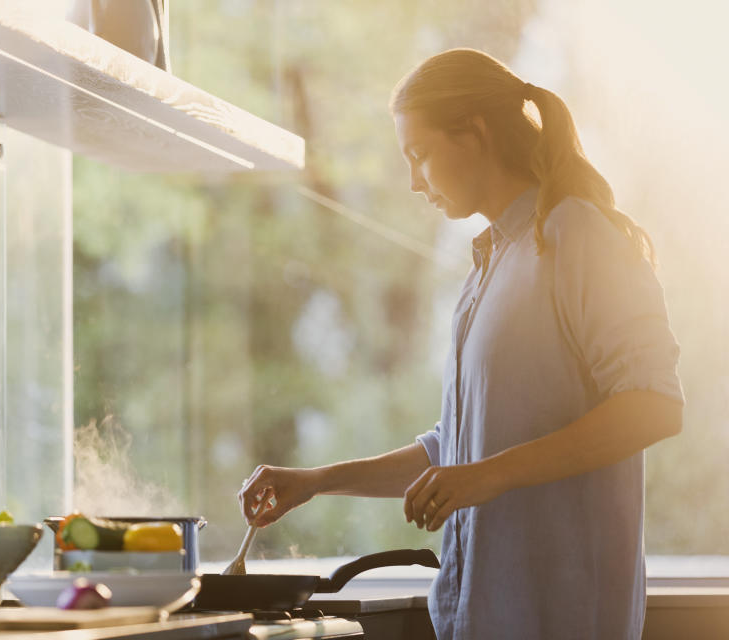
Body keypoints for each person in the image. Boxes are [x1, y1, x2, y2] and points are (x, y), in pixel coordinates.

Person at [237, 48, 684, 640]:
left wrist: (488, 475)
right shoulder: (487, 267)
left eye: (419, 155)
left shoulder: (576, 236)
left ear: (473, 133)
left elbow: (654, 403)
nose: (413, 182)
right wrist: (319, 480)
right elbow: (461, 449)